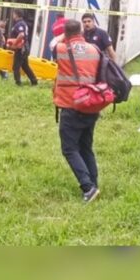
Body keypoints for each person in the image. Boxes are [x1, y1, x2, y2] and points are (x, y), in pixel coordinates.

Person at [52, 19, 102, 203]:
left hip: (71, 104)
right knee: (86, 147)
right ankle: (94, 184)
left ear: (65, 33)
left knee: (69, 148)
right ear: (81, 31)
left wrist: (63, 35)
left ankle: (88, 187)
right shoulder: (94, 50)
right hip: (91, 103)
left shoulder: (61, 49)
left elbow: (54, 44)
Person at [7, 9, 38, 86]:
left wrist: (14, 44)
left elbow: (21, 35)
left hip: (21, 49)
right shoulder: (22, 23)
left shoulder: (19, 24)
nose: (13, 15)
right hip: (24, 48)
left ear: (16, 15)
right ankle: (34, 81)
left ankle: (18, 84)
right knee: (25, 66)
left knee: (16, 67)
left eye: (14, 14)